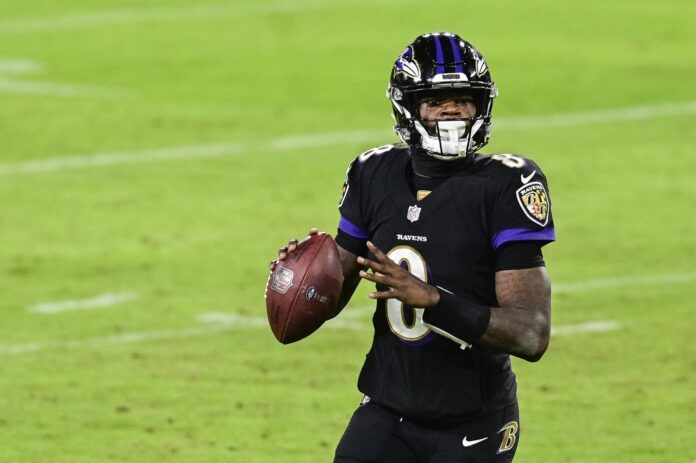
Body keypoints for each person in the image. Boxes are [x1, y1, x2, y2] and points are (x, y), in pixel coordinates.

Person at [271, 32, 555, 462]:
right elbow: (330, 292)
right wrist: (299, 280)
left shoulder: (506, 185)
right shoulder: (373, 173)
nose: (453, 109)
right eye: (434, 100)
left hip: (473, 422)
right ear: (408, 107)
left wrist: (433, 301)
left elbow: (530, 334)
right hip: (387, 409)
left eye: (464, 98)